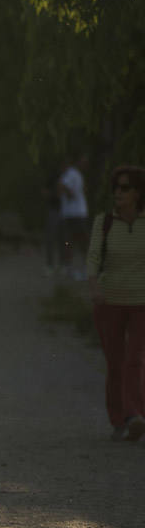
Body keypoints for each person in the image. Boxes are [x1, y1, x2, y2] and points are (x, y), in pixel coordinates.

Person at [87, 165, 145, 441]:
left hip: (140, 301)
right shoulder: (105, 222)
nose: (118, 193)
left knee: (135, 359)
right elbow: (93, 258)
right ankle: (118, 418)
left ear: (138, 192)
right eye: (116, 188)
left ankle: (135, 414)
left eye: (125, 188)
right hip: (109, 301)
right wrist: (95, 286)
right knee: (115, 362)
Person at [58, 153, 90, 280]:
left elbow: (62, 185)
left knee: (69, 241)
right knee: (79, 240)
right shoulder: (72, 173)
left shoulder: (74, 174)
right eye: (84, 161)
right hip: (76, 214)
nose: (86, 164)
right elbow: (61, 186)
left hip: (71, 214)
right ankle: (81, 269)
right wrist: (70, 194)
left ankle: (70, 268)